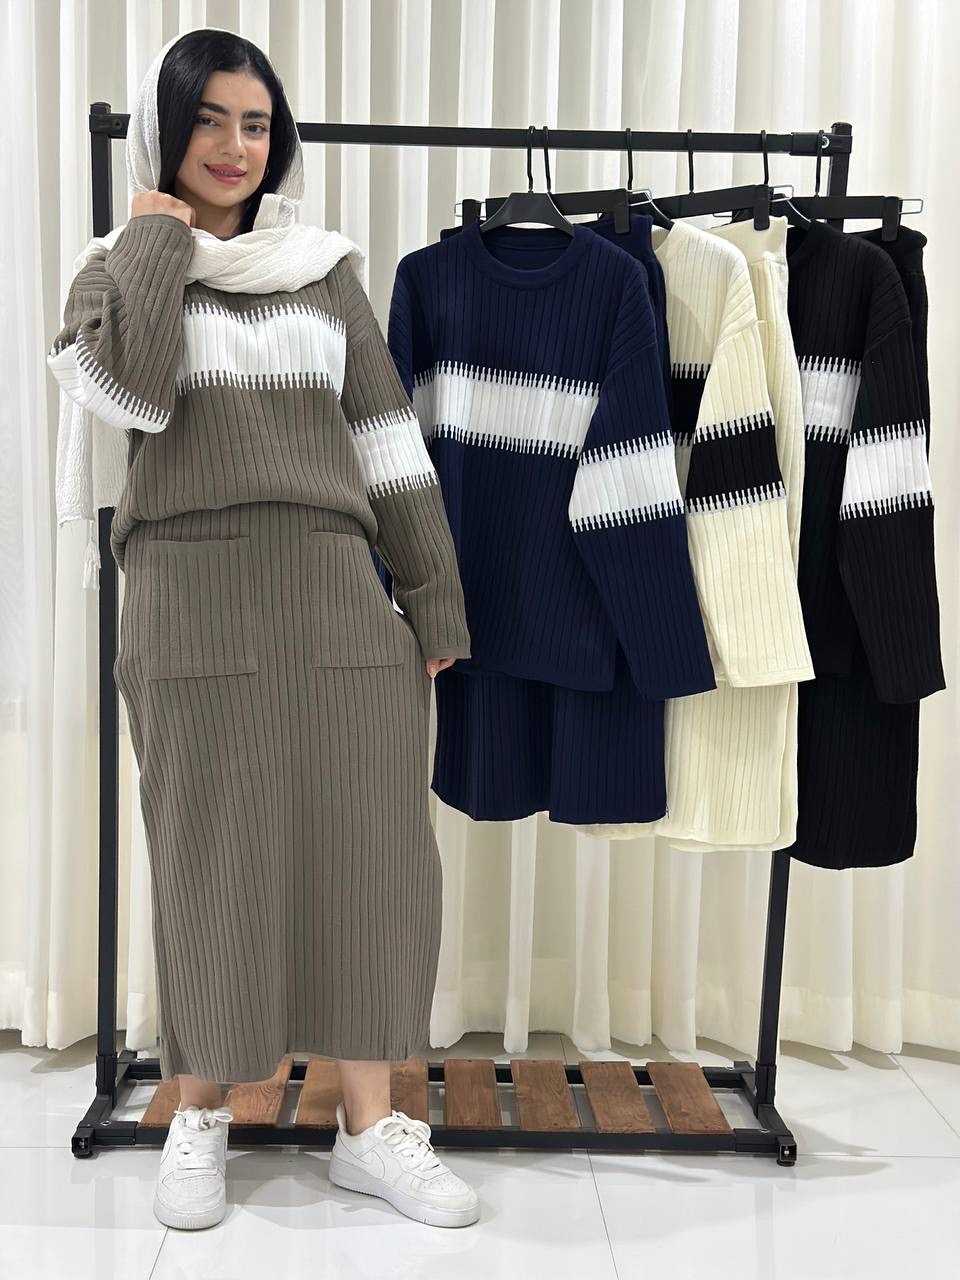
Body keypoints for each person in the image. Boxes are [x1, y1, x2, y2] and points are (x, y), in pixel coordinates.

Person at [46, 27, 480, 1231]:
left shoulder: (322, 269)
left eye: (256, 122)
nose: (237, 146)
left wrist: (433, 592)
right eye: (209, 120)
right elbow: (130, 394)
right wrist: (154, 238)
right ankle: (201, 1111)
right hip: (189, 598)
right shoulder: (112, 270)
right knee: (210, 860)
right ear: (164, 131)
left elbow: (387, 437)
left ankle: (370, 1128)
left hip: (337, 593)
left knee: (373, 864)